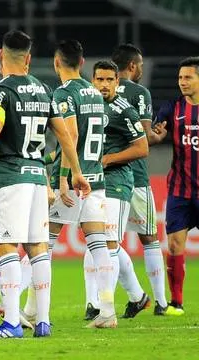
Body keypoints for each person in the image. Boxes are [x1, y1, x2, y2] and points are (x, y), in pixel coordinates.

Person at [0, 30, 90, 339]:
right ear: (29, 59)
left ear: (1, 56)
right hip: (35, 178)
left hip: (9, 177)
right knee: (38, 249)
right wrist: (77, 172)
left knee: (6, 247)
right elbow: (65, 136)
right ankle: (42, 321)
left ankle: (12, 323)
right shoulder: (44, 90)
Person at [42, 40, 116, 327]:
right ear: (83, 63)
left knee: (43, 243)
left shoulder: (64, 93)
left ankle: (29, 309)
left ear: (56, 62)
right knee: (99, 246)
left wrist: (63, 177)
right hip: (96, 178)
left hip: (76, 179)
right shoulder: (94, 93)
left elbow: (69, 135)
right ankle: (107, 310)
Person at [109, 44, 180, 317]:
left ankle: (100, 303)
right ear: (130, 66)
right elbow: (146, 138)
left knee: (102, 240)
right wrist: (159, 134)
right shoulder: (139, 93)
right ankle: (161, 302)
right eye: (139, 65)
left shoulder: (100, 95)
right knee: (149, 239)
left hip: (105, 179)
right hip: (135, 175)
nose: (141, 69)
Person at [89, 60, 149, 318]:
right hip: (94, 182)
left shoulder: (125, 111)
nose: (104, 84)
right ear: (93, 80)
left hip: (117, 181)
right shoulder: (89, 106)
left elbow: (142, 148)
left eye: (109, 80)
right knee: (104, 243)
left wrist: (107, 160)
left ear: (117, 81)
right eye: (99, 79)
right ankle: (138, 296)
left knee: (108, 243)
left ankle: (103, 306)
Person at [154, 56, 199, 313]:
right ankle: (177, 302)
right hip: (180, 190)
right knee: (173, 245)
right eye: (180, 77)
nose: (182, 82)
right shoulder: (173, 107)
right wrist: (155, 136)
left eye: (188, 77)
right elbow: (156, 132)